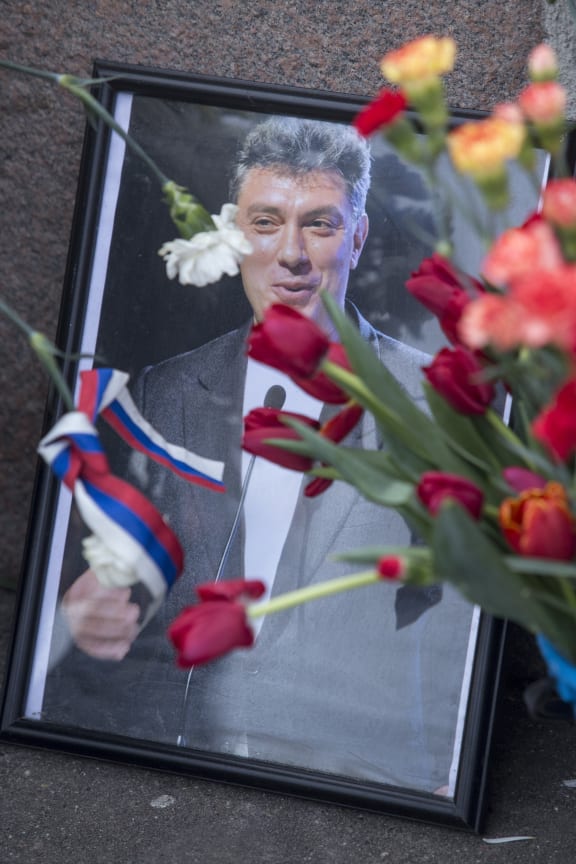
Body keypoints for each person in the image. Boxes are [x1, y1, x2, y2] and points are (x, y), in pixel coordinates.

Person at [42, 117, 474, 794]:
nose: (291, 254)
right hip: (182, 770)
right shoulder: (166, 390)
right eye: (267, 221)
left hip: (361, 785)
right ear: (235, 233)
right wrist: (78, 615)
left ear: (357, 238)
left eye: (321, 225)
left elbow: (460, 622)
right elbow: (116, 581)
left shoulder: (437, 402)